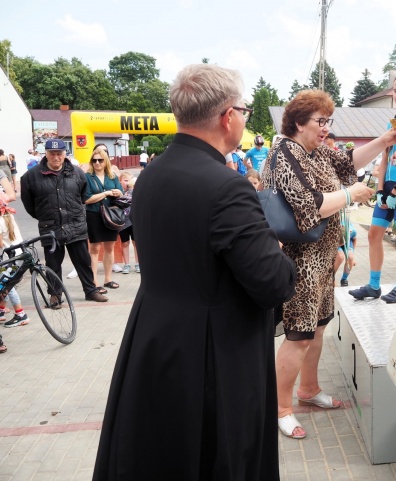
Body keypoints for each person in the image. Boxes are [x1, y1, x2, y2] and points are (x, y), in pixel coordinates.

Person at [93, 64, 296, 481]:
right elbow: (274, 282)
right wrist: (277, 250)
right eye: (245, 110)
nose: (245, 118)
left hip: (156, 338)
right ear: (228, 116)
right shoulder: (227, 186)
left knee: (162, 454)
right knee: (215, 457)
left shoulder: (151, 174)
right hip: (213, 354)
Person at [265, 89, 396, 440]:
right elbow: (307, 206)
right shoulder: (285, 152)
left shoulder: (318, 150)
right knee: (298, 335)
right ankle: (281, 408)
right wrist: (351, 195)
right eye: (320, 121)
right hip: (301, 260)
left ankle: (308, 389)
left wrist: (383, 141)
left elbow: (348, 163)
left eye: (329, 120)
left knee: (319, 328)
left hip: (324, 257)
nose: (326, 127)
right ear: (299, 123)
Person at [349, 69, 396, 303]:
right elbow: (385, 156)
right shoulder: (394, 120)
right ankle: (374, 285)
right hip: (388, 186)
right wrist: (381, 190)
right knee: (374, 234)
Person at [21, 139, 108, 303]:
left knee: (83, 261)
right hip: (50, 227)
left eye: (59, 153)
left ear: (64, 154)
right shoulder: (30, 177)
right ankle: (55, 295)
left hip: (75, 225)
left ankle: (91, 291)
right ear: (46, 154)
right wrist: (45, 216)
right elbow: (29, 205)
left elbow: (83, 196)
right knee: (53, 264)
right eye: (52, 154)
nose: (56, 157)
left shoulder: (77, 173)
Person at [84, 148, 124, 291]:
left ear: (105, 161)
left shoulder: (112, 176)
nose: (97, 163)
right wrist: (106, 193)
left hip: (111, 214)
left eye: (100, 160)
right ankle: (94, 282)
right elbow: (87, 199)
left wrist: (118, 193)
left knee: (109, 247)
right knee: (94, 249)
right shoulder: (87, 177)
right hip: (94, 214)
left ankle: (108, 279)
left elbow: (121, 193)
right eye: (94, 160)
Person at [0, 197, 30, 328]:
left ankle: (20, 314)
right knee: (5, 283)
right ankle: (1, 310)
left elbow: (0, 244)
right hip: (19, 256)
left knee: (8, 286)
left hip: (9, 259)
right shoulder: (8, 216)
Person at [117, 173, 139, 274]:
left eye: (129, 180)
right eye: (125, 180)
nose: (127, 183)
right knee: (125, 243)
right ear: (120, 181)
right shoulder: (119, 192)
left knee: (136, 243)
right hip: (123, 222)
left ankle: (138, 263)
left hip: (134, 221)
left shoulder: (135, 191)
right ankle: (126, 264)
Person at [334, 220, 357, 286]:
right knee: (340, 257)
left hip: (348, 242)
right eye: (340, 244)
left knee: (350, 258)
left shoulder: (353, 231)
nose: (341, 245)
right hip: (336, 240)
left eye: (341, 244)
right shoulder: (334, 232)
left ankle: (344, 279)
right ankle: (331, 277)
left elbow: (355, 240)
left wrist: (353, 254)